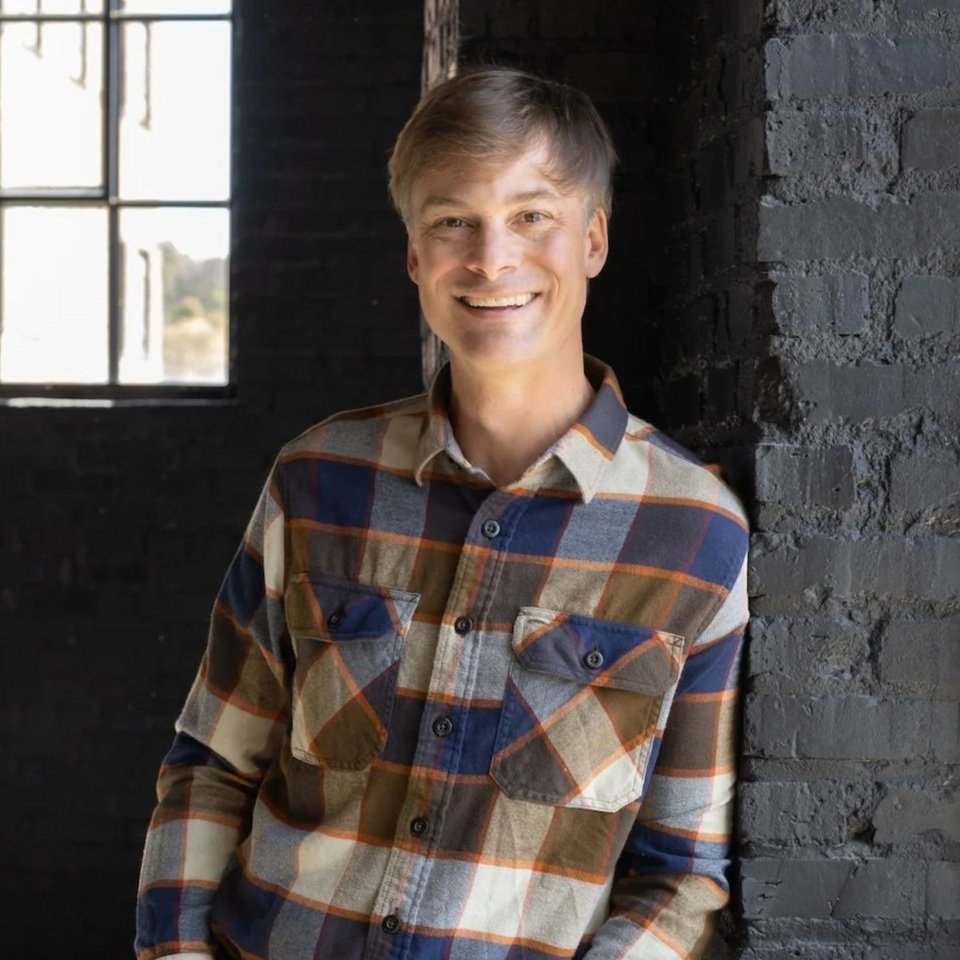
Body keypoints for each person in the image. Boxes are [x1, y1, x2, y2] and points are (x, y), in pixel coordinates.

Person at [136, 67, 749, 960]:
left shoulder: (694, 532)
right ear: (416, 257)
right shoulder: (316, 483)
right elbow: (211, 767)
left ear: (594, 239)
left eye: (532, 215)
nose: (491, 258)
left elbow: (682, 872)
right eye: (452, 221)